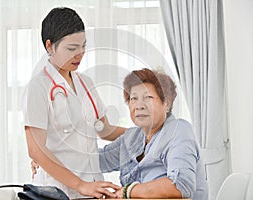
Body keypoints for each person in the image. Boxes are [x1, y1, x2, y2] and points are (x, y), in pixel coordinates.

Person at [22, 7, 125, 199]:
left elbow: (104, 129)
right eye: (72, 48)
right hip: (58, 192)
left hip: (92, 190)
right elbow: (36, 149)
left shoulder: (86, 83)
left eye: (83, 46)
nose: (80, 54)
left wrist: (145, 134)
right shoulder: (38, 88)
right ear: (50, 46)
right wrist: (80, 185)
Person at [99, 68, 209, 199]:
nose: (139, 105)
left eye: (148, 97)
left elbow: (181, 185)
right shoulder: (132, 137)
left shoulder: (178, 130)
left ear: (166, 103)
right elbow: (98, 160)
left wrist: (127, 192)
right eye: (134, 98)